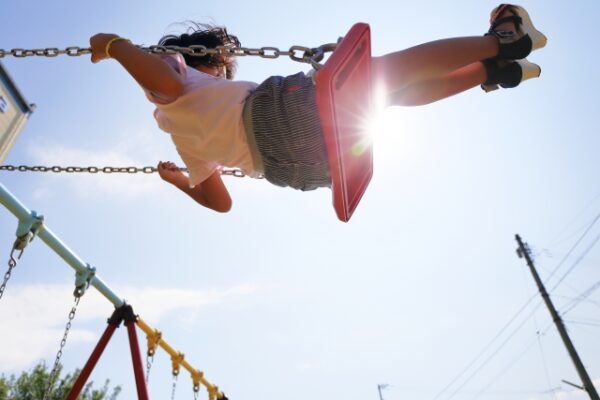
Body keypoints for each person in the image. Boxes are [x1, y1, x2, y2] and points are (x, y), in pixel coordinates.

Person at [89, 4, 546, 213]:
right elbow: (163, 79)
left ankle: (494, 74)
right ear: (197, 61)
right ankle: (505, 40)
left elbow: (220, 202)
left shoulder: (185, 139)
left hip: (308, 171)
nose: (222, 77)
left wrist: (179, 182)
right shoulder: (178, 75)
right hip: (284, 118)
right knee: (392, 75)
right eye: (219, 68)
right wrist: (114, 45)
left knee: (390, 96)